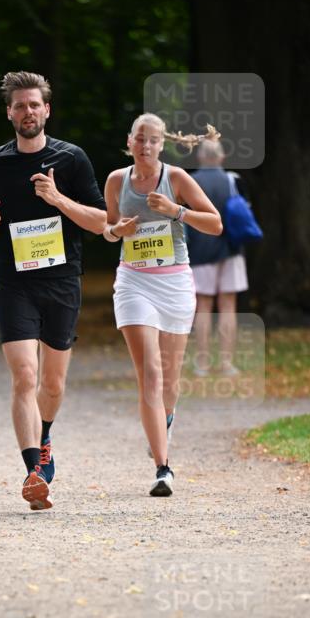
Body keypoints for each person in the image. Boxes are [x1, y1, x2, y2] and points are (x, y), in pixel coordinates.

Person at [0, 71, 107, 511]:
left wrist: (59, 199)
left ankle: (44, 436)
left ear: (47, 110)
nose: (28, 112)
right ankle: (33, 472)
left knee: (53, 384)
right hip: (13, 282)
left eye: (34, 105)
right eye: (19, 105)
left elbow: (101, 223)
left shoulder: (72, 159)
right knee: (25, 375)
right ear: (9, 112)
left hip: (62, 282)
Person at [103, 114, 222, 497]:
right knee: (151, 375)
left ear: (162, 144)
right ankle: (163, 468)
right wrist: (118, 230)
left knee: (169, 381)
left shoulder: (177, 179)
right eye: (141, 139)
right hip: (134, 282)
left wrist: (176, 212)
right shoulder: (116, 181)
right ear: (130, 142)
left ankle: (164, 420)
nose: (147, 146)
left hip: (174, 283)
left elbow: (215, 224)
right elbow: (108, 230)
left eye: (154, 140)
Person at [185, 139, 250, 376]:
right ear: (221, 157)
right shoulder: (233, 180)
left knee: (203, 306)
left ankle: (202, 363)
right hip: (232, 249)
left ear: (201, 158)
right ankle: (226, 363)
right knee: (228, 306)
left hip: (200, 252)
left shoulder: (191, 181)